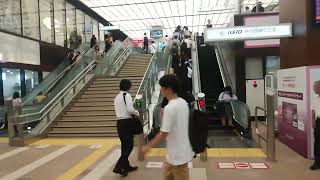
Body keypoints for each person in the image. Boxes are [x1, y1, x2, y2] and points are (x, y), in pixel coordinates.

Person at [142, 75, 194, 180]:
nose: (160, 90)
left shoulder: (170, 108)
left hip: (178, 158)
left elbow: (163, 133)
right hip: (175, 155)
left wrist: (147, 147)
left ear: (168, 89)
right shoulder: (183, 103)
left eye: (162, 87)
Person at [113, 79, 139, 177]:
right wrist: (137, 113)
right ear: (128, 86)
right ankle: (118, 167)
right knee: (129, 146)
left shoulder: (116, 97)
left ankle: (126, 166)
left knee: (124, 145)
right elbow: (130, 109)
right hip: (127, 123)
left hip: (119, 123)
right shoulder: (126, 95)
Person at [311, 80, 320, 170]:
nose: (313, 88)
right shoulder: (315, 98)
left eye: (315, 87)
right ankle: (317, 163)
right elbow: (313, 110)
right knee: (317, 143)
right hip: (318, 122)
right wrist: (313, 120)